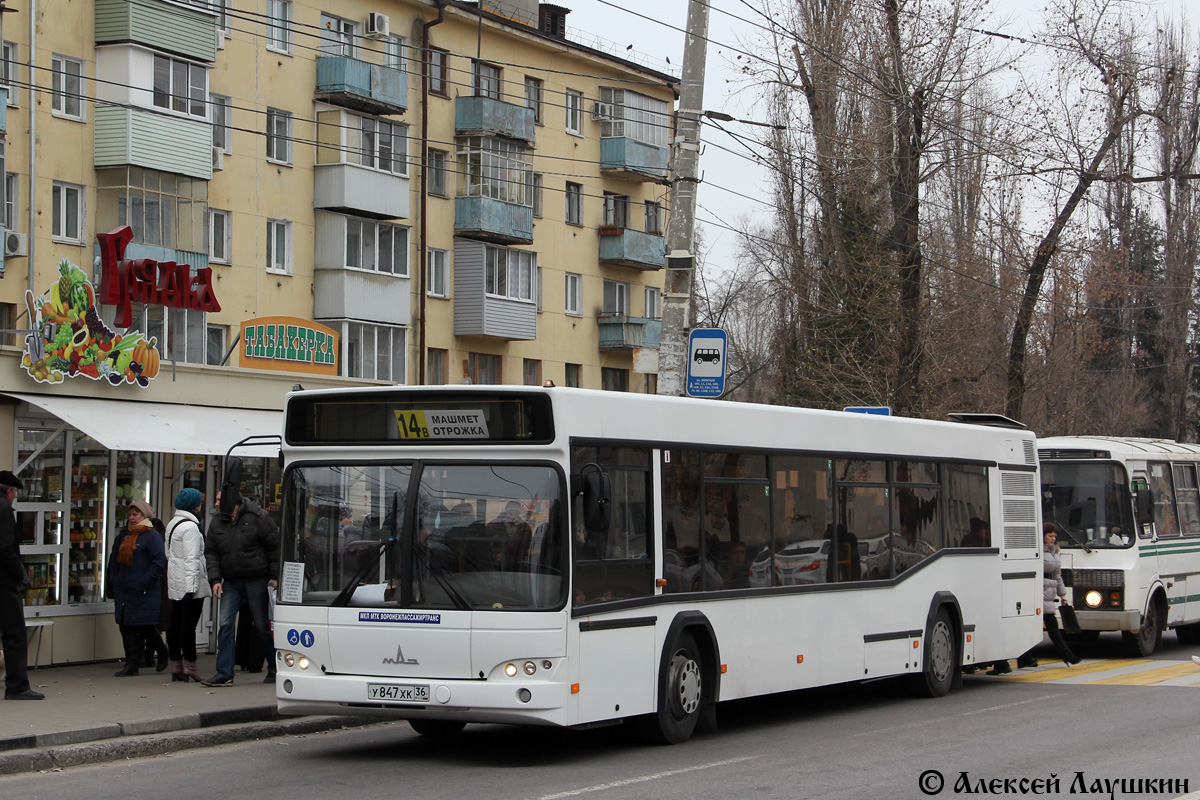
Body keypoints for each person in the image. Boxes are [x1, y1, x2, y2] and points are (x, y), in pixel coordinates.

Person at [202, 488, 279, 687]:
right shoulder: (217, 522)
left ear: (232, 502)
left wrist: (274, 577)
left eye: (220, 500)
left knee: (262, 626)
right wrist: (215, 579)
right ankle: (224, 673)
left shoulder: (258, 517)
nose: (216, 503)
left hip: (256, 579)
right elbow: (211, 553)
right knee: (226, 624)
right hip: (231, 581)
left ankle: (274, 667)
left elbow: (274, 546)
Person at [107, 499, 167, 677]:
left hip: (143, 589)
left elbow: (159, 563)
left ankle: (162, 651)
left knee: (145, 626)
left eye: (136, 514)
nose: (132, 518)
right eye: (130, 514)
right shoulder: (124, 535)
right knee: (125, 627)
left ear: (145, 516)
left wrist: (143, 582)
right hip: (124, 589)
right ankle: (131, 663)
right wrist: (114, 580)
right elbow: (114, 559)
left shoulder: (152, 536)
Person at [0, 471, 43, 700]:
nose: (14, 498)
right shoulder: (3, 509)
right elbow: (6, 548)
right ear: (9, 491)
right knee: (15, 633)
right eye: (15, 494)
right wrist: (22, 577)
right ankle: (17, 686)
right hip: (4, 582)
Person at [1017, 522, 1080, 668]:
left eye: (1055, 536)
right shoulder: (1038, 551)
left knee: (1043, 626)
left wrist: (1063, 595)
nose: (1053, 538)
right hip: (1039, 592)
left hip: (1048, 593)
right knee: (1049, 626)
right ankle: (1067, 656)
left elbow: (1057, 575)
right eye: (1050, 535)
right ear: (1043, 536)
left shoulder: (1055, 551)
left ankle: (1025, 658)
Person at [165, 488, 209, 682]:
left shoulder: (173, 523)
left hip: (175, 581)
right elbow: (192, 559)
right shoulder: (191, 527)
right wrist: (191, 588)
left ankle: (176, 664)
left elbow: (169, 555)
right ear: (194, 505)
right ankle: (190, 665)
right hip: (189, 583)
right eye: (199, 502)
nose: (201, 505)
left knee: (174, 623)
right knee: (188, 626)